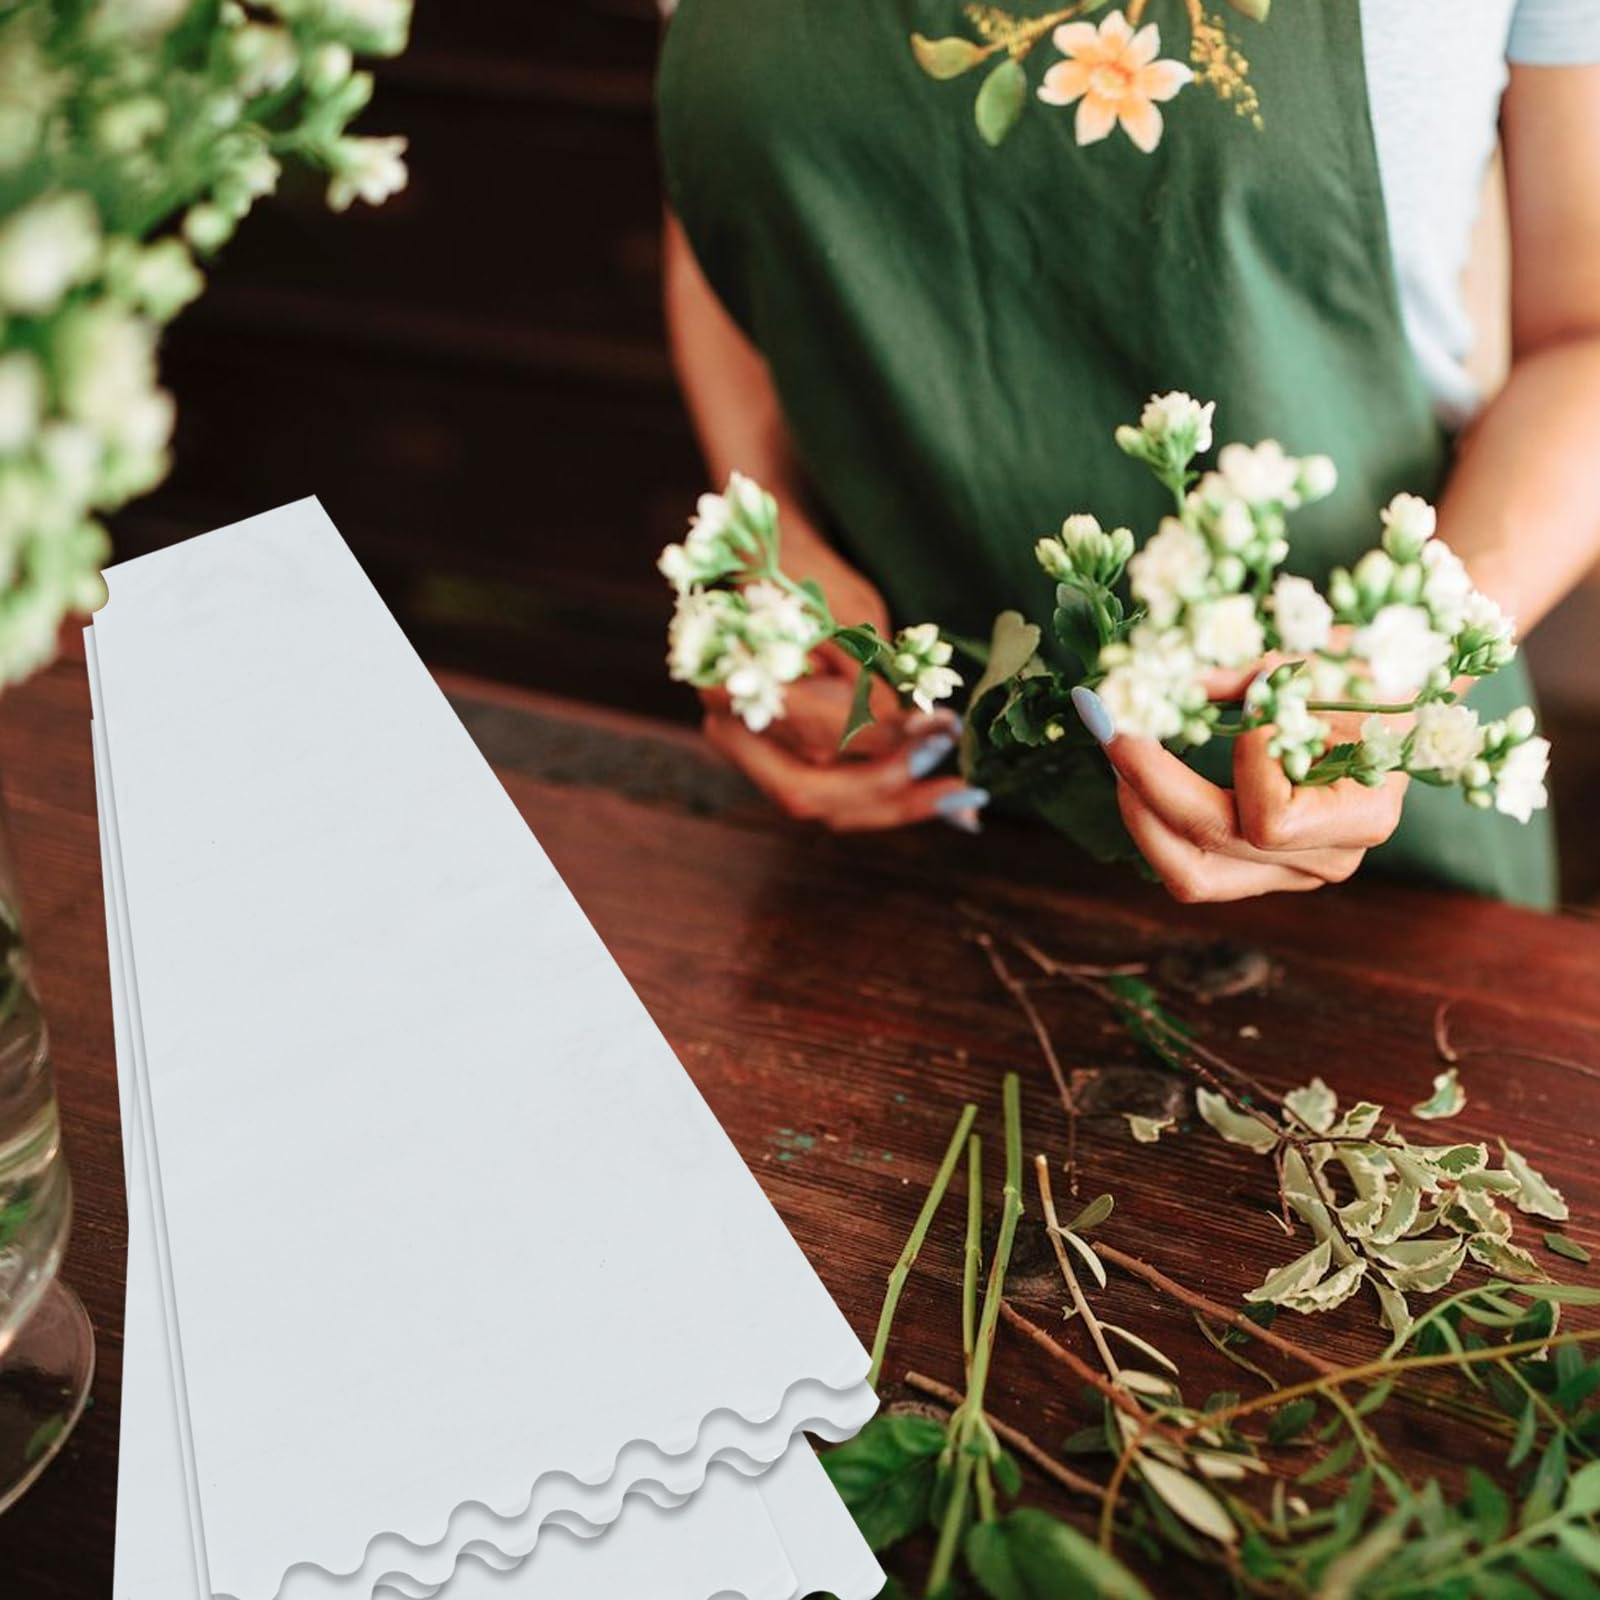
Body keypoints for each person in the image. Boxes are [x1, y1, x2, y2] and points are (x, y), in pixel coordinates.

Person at [657, 1, 1600, 906]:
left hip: (1334, 807)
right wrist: (768, 546)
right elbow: (730, 209)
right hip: (877, 787)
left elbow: (1586, 338)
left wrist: (1405, 658)